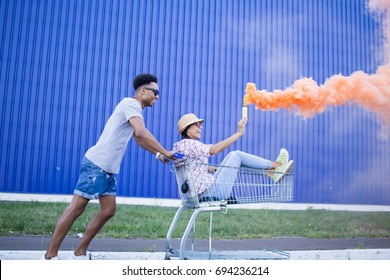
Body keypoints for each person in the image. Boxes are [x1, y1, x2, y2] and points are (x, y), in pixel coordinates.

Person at [43, 73, 175, 260]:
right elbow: (141, 132)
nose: (157, 96)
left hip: (108, 169)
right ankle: (49, 256)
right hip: (97, 164)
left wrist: (158, 154)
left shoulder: (135, 110)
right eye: (156, 92)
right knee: (76, 208)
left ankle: (79, 253)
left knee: (108, 210)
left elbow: (138, 137)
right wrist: (166, 151)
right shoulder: (131, 104)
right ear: (143, 91)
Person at [173, 113, 294, 201]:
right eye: (197, 125)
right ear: (187, 130)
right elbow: (213, 150)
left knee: (233, 159)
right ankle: (276, 166)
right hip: (212, 192)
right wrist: (239, 133)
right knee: (236, 155)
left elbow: (191, 165)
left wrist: (210, 168)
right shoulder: (192, 144)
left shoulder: (179, 147)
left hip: (193, 195)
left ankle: (271, 173)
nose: (200, 127)